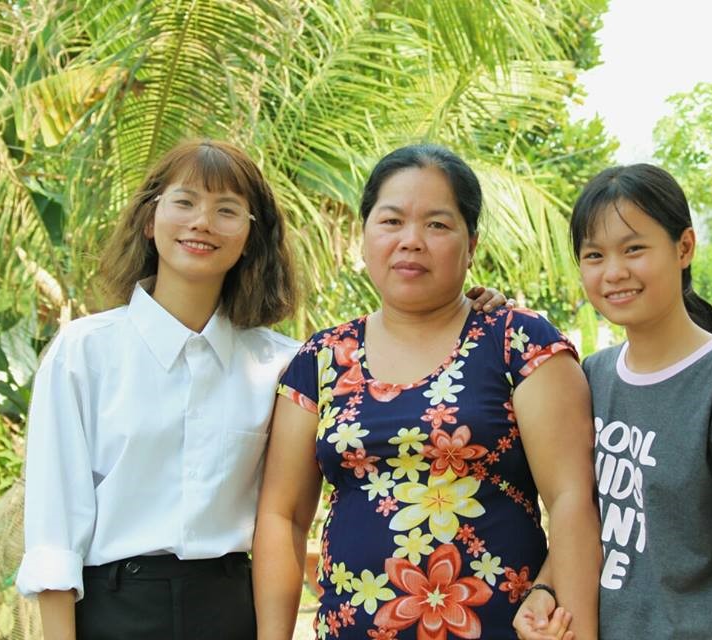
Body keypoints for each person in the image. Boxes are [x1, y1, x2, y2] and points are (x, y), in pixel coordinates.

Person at [15, 139, 509, 640]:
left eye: (227, 210)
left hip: (231, 611)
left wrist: (468, 314)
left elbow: (386, 376)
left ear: (252, 237)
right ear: (149, 219)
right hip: (113, 610)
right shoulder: (85, 352)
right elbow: (55, 531)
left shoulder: (286, 365)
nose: (202, 222)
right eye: (184, 202)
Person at [253, 144, 601, 640]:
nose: (411, 241)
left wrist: (566, 613)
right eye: (391, 221)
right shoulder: (321, 359)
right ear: (364, 235)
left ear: (471, 244)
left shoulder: (518, 342)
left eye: (437, 224)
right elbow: (282, 516)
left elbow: (573, 500)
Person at [558, 164, 712, 638]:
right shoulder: (592, 375)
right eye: (594, 255)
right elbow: (578, 516)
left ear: (684, 247)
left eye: (634, 249)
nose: (614, 272)